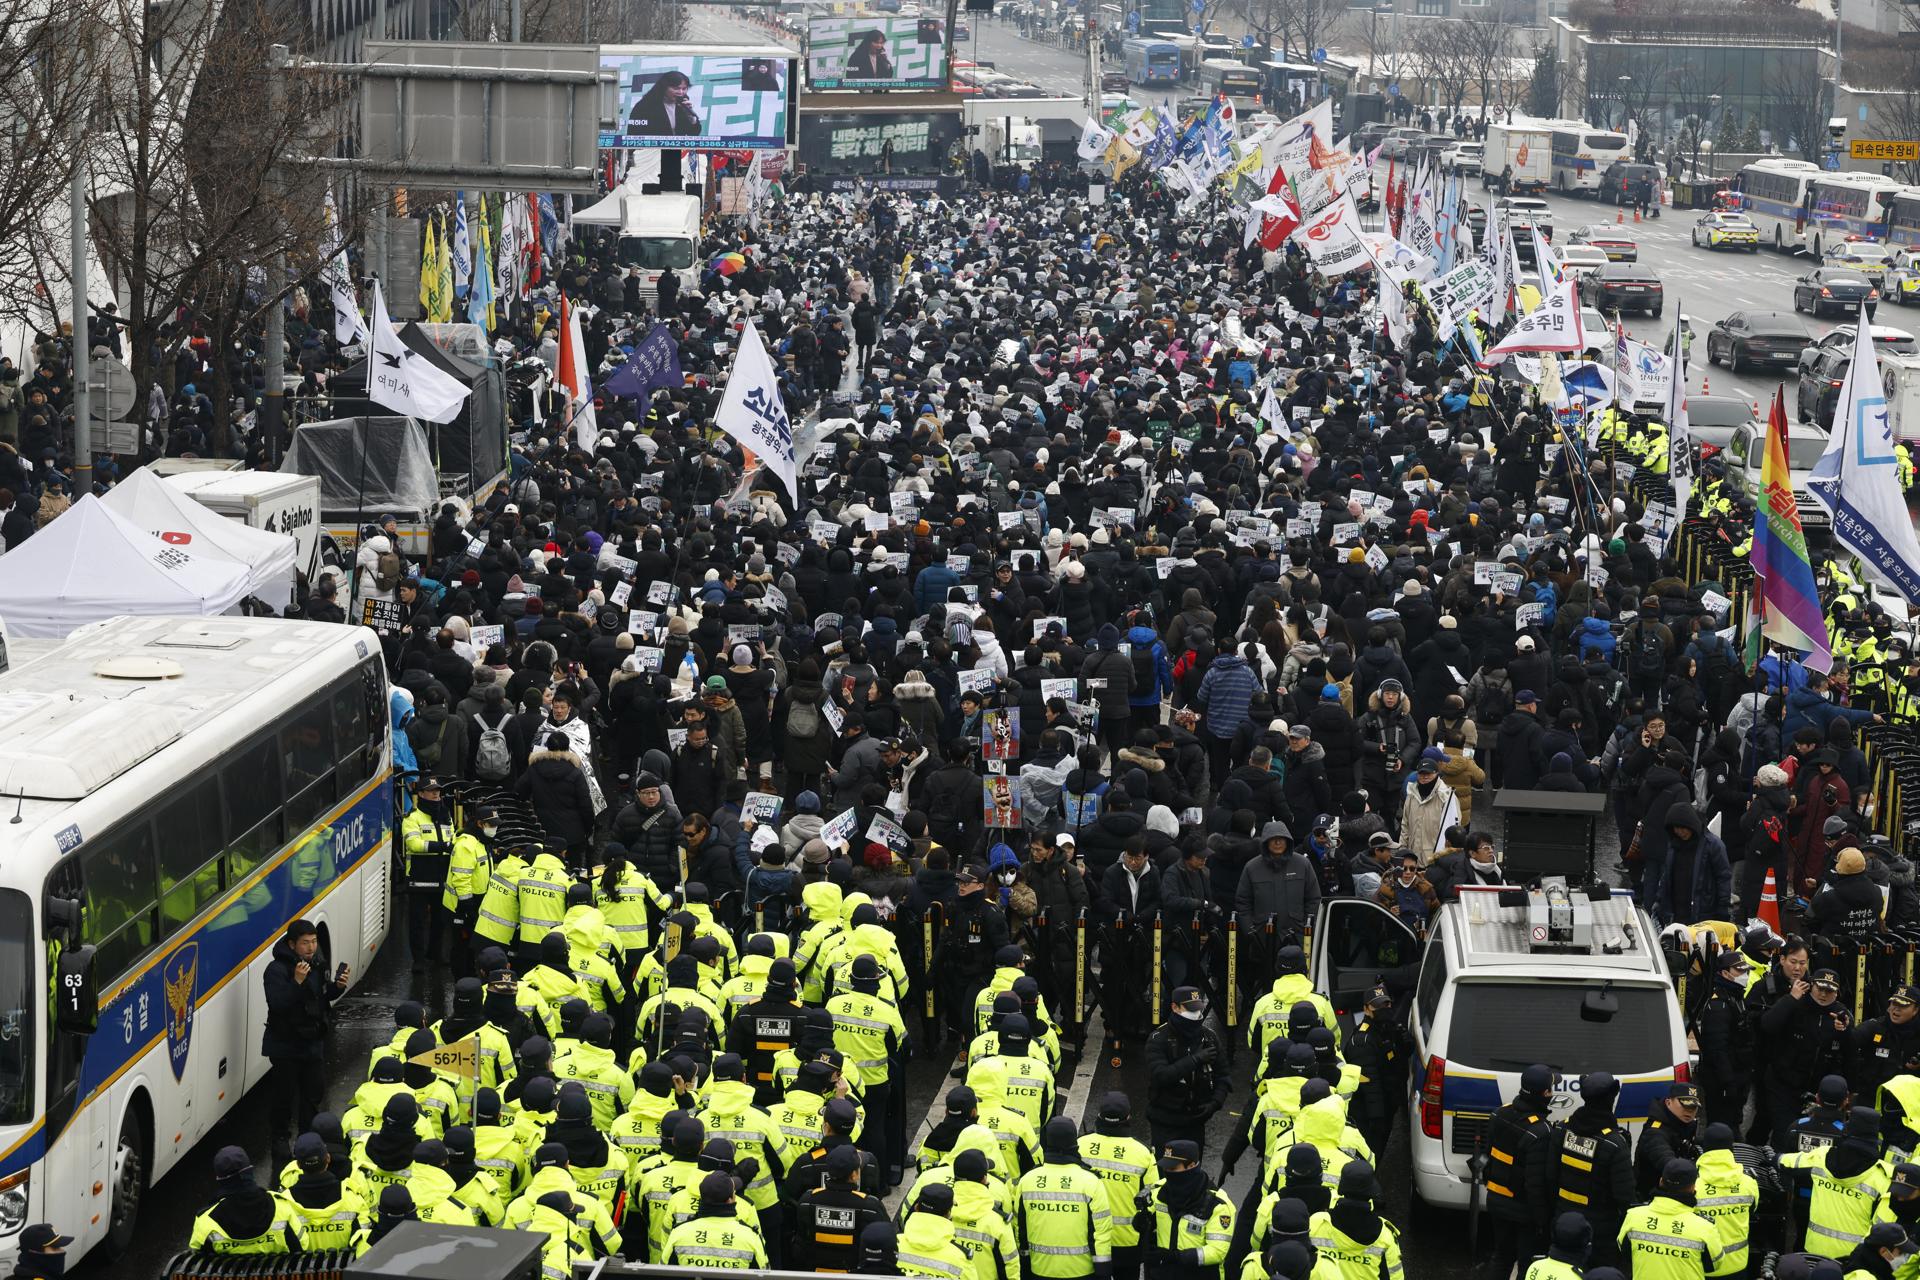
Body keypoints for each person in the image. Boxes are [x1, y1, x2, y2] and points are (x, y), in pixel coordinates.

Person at [262, 919, 349, 1165]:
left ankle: (307, 1140)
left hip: (312, 1043)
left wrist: (336, 988)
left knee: (313, 1094)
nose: (311, 948)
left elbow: (320, 998)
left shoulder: (316, 964)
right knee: (284, 1097)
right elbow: (278, 1004)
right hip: (285, 1045)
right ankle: (279, 1141)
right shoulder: (276, 970)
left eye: (314, 942)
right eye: (305, 943)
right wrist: (297, 982)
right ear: (292, 945)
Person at [1482, 1064, 1558, 1280]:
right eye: (1551, 1089)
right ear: (1544, 1094)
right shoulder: (1540, 1132)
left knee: (1502, 1256)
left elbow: (1488, 1155)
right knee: (1527, 1263)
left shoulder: (1500, 1113)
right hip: (1522, 1210)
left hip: (1495, 1199)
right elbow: (1534, 1185)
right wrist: (1543, 1220)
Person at [1015, 1117, 1113, 1280]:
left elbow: (1020, 1229)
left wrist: (1025, 1265)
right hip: (1082, 1272)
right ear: (1074, 1143)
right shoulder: (1091, 1182)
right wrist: (1102, 1271)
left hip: (1039, 1270)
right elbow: (1101, 1231)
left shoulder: (1027, 1181)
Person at [1145, 986, 1230, 1155]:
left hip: (1196, 1121)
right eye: (1190, 1009)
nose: (1196, 1014)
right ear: (1175, 1007)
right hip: (1165, 1121)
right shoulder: (1159, 1039)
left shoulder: (1209, 1037)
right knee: (1165, 1173)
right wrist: (1195, 1059)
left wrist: (1215, 1103)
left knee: (1192, 1171)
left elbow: (1224, 1076)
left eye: (1198, 1009)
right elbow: (1161, 1075)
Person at [1615, 1159, 1725, 1279]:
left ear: (1661, 1181)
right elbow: (1714, 1265)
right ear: (1693, 1188)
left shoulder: (1634, 1216)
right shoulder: (1705, 1227)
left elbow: (1625, 1253)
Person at [190, 1147, 304, 1254]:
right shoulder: (281, 1206)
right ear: (249, 1172)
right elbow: (302, 1245)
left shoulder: (206, 1220)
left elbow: (196, 1259)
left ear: (220, 1179)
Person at [1148, 1139, 1234, 1280]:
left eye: (1173, 1168)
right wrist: (1142, 1222)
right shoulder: (1158, 1190)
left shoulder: (1218, 1204)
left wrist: (1178, 1257)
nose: (1167, 1172)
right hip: (1164, 1273)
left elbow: (1217, 1251)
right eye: (1166, 1168)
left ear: (1192, 1165)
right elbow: (1148, 1217)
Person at [628, 70, 702, 137]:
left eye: (684, 88)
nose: (681, 92)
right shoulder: (645, 106)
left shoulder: (683, 104)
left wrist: (691, 117)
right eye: (676, 88)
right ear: (664, 87)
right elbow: (635, 134)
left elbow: (694, 133)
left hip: (676, 150)